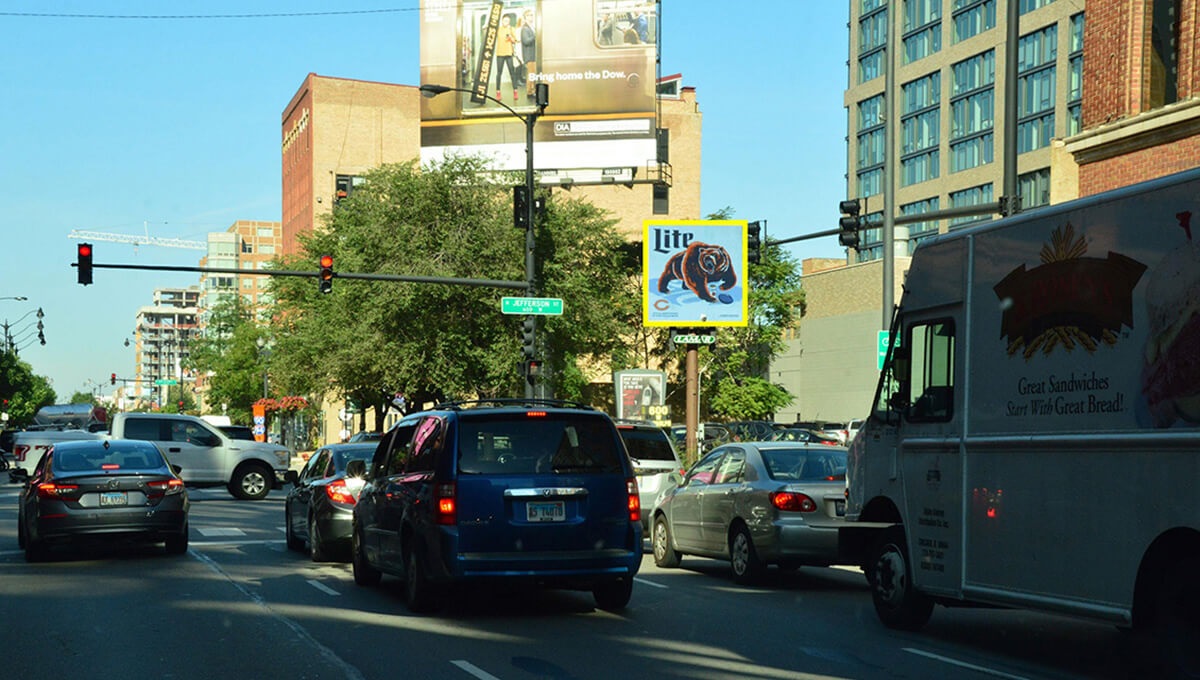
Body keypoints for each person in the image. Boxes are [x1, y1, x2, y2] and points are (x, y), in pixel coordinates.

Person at [495, 13, 519, 102]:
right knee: (499, 73)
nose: (506, 22)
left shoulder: (511, 29)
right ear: (502, 21)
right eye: (505, 20)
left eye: (508, 21)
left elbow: (514, 41)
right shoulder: (498, 30)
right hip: (500, 54)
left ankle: (515, 91)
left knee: (512, 73)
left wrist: (510, 34)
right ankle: (498, 92)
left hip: (509, 53)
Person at [519, 9, 537, 100]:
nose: (531, 17)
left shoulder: (532, 27)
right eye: (529, 15)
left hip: (534, 55)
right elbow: (526, 41)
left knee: (533, 74)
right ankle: (530, 91)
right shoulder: (525, 29)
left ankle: (533, 90)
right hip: (529, 55)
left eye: (532, 15)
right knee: (531, 74)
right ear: (525, 17)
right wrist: (535, 36)